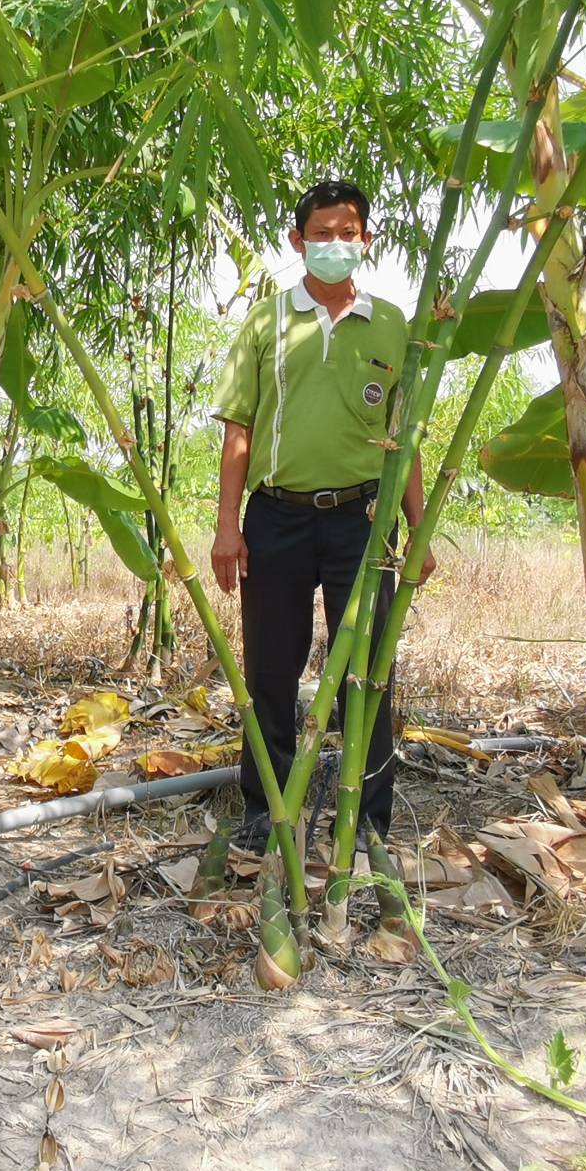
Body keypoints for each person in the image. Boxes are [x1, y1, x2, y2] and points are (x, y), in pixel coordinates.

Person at [210, 179, 427, 854]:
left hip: (362, 521)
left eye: (350, 231)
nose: (337, 243)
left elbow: (407, 437)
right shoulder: (265, 321)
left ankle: (368, 822)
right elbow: (239, 428)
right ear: (297, 240)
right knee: (271, 672)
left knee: (365, 672)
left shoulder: (392, 324)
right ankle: (266, 811)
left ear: (366, 240)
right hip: (276, 517)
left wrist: (417, 530)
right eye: (323, 232)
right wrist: (226, 525)